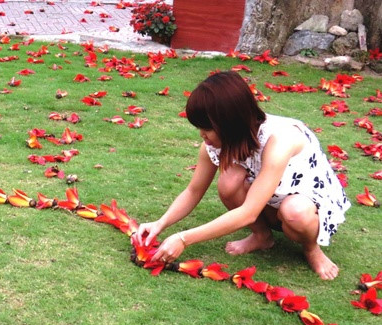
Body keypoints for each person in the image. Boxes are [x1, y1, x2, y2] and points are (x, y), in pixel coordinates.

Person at [132, 71, 350, 280]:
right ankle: (261, 236)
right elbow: (193, 191)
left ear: (230, 122)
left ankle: (311, 249)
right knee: (228, 181)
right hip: (268, 201)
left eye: (207, 128)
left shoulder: (280, 140)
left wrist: (183, 239)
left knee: (295, 212)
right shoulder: (217, 143)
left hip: (307, 207)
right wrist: (160, 224)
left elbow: (248, 212)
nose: (202, 134)